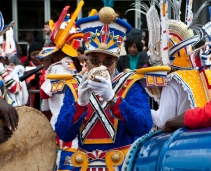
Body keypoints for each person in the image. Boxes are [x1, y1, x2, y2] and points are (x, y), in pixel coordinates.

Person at [55, 4, 153, 170]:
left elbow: (144, 126)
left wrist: (113, 99)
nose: (102, 66)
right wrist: (80, 104)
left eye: (108, 62)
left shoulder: (130, 83)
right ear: (86, 61)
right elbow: (63, 133)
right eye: (95, 60)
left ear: (116, 62)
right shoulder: (76, 86)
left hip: (121, 165)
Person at [38, 5, 84, 171]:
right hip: (74, 121)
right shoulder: (74, 64)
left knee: (62, 162)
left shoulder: (57, 67)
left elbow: (44, 93)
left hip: (61, 122)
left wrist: (45, 71)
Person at [24, 42, 43, 109]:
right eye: (33, 54)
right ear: (29, 56)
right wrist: (31, 83)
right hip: (31, 101)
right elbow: (22, 86)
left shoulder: (46, 65)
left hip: (43, 100)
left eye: (38, 53)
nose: (36, 56)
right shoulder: (25, 68)